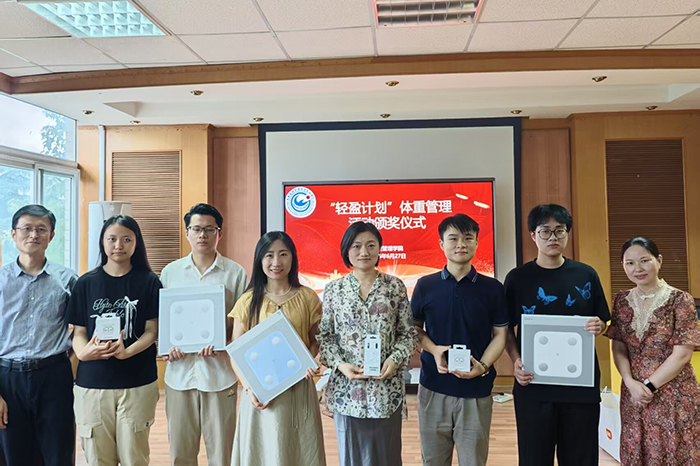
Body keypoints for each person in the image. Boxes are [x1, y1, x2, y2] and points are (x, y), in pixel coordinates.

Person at [504, 204, 610, 466]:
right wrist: (516, 361)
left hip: (580, 386)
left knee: (581, 458)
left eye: (559, 231)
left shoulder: (586, 274)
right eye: (545, 231)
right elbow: (505, 329)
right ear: (533, 235)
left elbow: (603, 321)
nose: (553, 237)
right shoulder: (518, 278)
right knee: (534, 458)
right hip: (533, 385)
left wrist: (600, 326)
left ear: (567, 234)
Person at [317, 221, 418, 466]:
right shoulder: (334, 290)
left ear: (379, 249)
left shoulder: (394, 287)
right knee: (351, 457)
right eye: (357, 246)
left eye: (371, 245)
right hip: (347, 391)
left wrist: (394, 360)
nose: (364, 252)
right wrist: (341, 365)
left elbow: (408, 334)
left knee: (387, 455)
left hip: (386, 391)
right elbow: (325, 337)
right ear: (346, 250)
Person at [412, 214, 508, 466]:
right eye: (453, 238)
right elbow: (415, 329)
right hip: (433, 386)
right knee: (433, 461)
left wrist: (483, 366)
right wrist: (434, 350)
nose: (461, 244)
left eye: (468, 238)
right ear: (441, 243)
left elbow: (500, 334)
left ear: (476, 242)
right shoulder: (425, 285)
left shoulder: (493, 288)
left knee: (473, 461)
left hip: (476, 390)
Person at [69, 215, 161, 466]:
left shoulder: (150, 281)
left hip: (137, 382)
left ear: (136, 243)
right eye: (112, 239)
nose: (118, 245)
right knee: (98, 458)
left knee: (135, 457)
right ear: (102, 242)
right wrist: (84, 353)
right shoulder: (85, 283)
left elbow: (152, 330)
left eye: (126, 239)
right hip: (92, 384)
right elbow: (79, 332)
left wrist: (127, 352)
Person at [160, 204, 247, 466]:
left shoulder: (235, 273)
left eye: (210, 229)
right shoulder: (170, 272)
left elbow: (241, 324)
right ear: (187, 232)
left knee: (222, 453)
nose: (202, 235)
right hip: (179, 375)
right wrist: (168, 347)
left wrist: (225, 343)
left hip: (219, 375)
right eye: (196, 228)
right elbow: (164, 322)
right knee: (180, 453)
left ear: (220, 233)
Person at [229, 231, 326, 466]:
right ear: (259, 260)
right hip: (261, 392)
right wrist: (249, 388)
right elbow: (236, 352)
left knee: (300, 452)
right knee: (263, 453)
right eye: (269, 255)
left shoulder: (308, 297)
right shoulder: (248, 301)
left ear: (292, 258)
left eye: (283, 254)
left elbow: (315, 341)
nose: (276, 262)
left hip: (298, 390)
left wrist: (312, 359)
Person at [605, 237, 700, 465]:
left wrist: (648, 387)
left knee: (675, 452)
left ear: (659, 260)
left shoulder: (680, 299)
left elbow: (682, 354)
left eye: (644, 260)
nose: (637, 268)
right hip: (633, 394)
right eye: (630, 263)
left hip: (673, 393)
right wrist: (629, 382)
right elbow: (618, 345)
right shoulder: (621, 301)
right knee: (636, 450)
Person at [0, 205, 77, 466]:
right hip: (8, 378)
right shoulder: (1, 281)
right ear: (13, 234)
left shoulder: (68, 280)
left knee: (58, 453)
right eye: (27, 228)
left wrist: (71, 369)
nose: (34, 234)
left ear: (51, 236)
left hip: (54, 376)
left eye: (41, 229)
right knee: (13, 455)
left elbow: (82, 330)